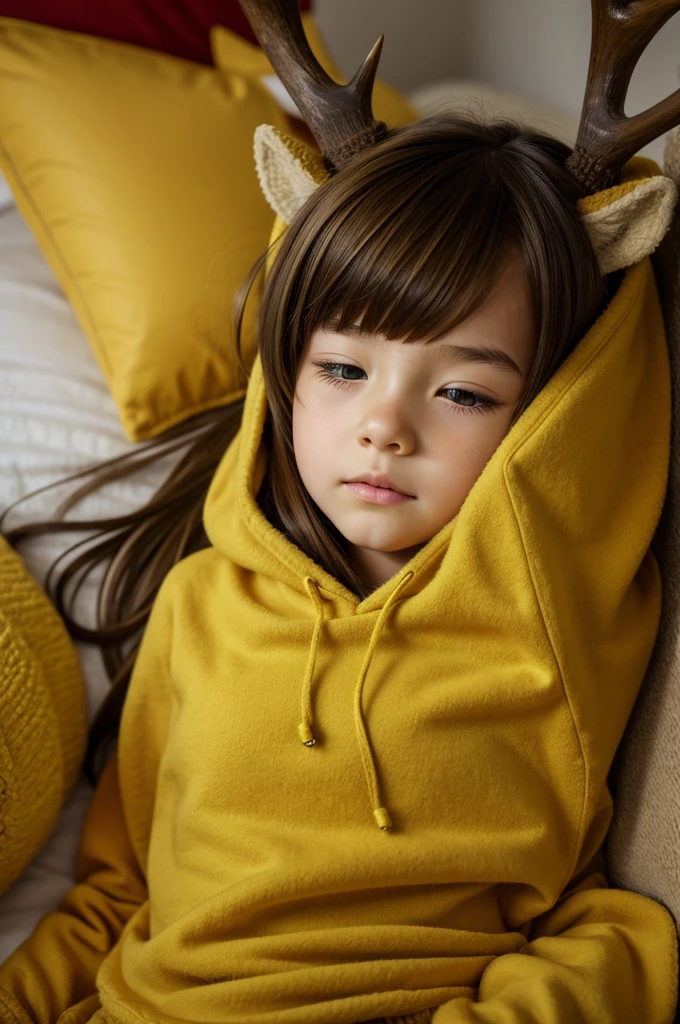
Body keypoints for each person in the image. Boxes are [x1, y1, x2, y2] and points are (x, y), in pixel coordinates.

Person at [0, 108, 678, 1024]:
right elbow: (118, 896)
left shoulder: (565, 627)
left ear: (555, 411)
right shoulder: (198, 604)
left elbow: (597, 920)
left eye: (465, 391)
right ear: (287, 369)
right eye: (344, 370)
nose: (384, 427)